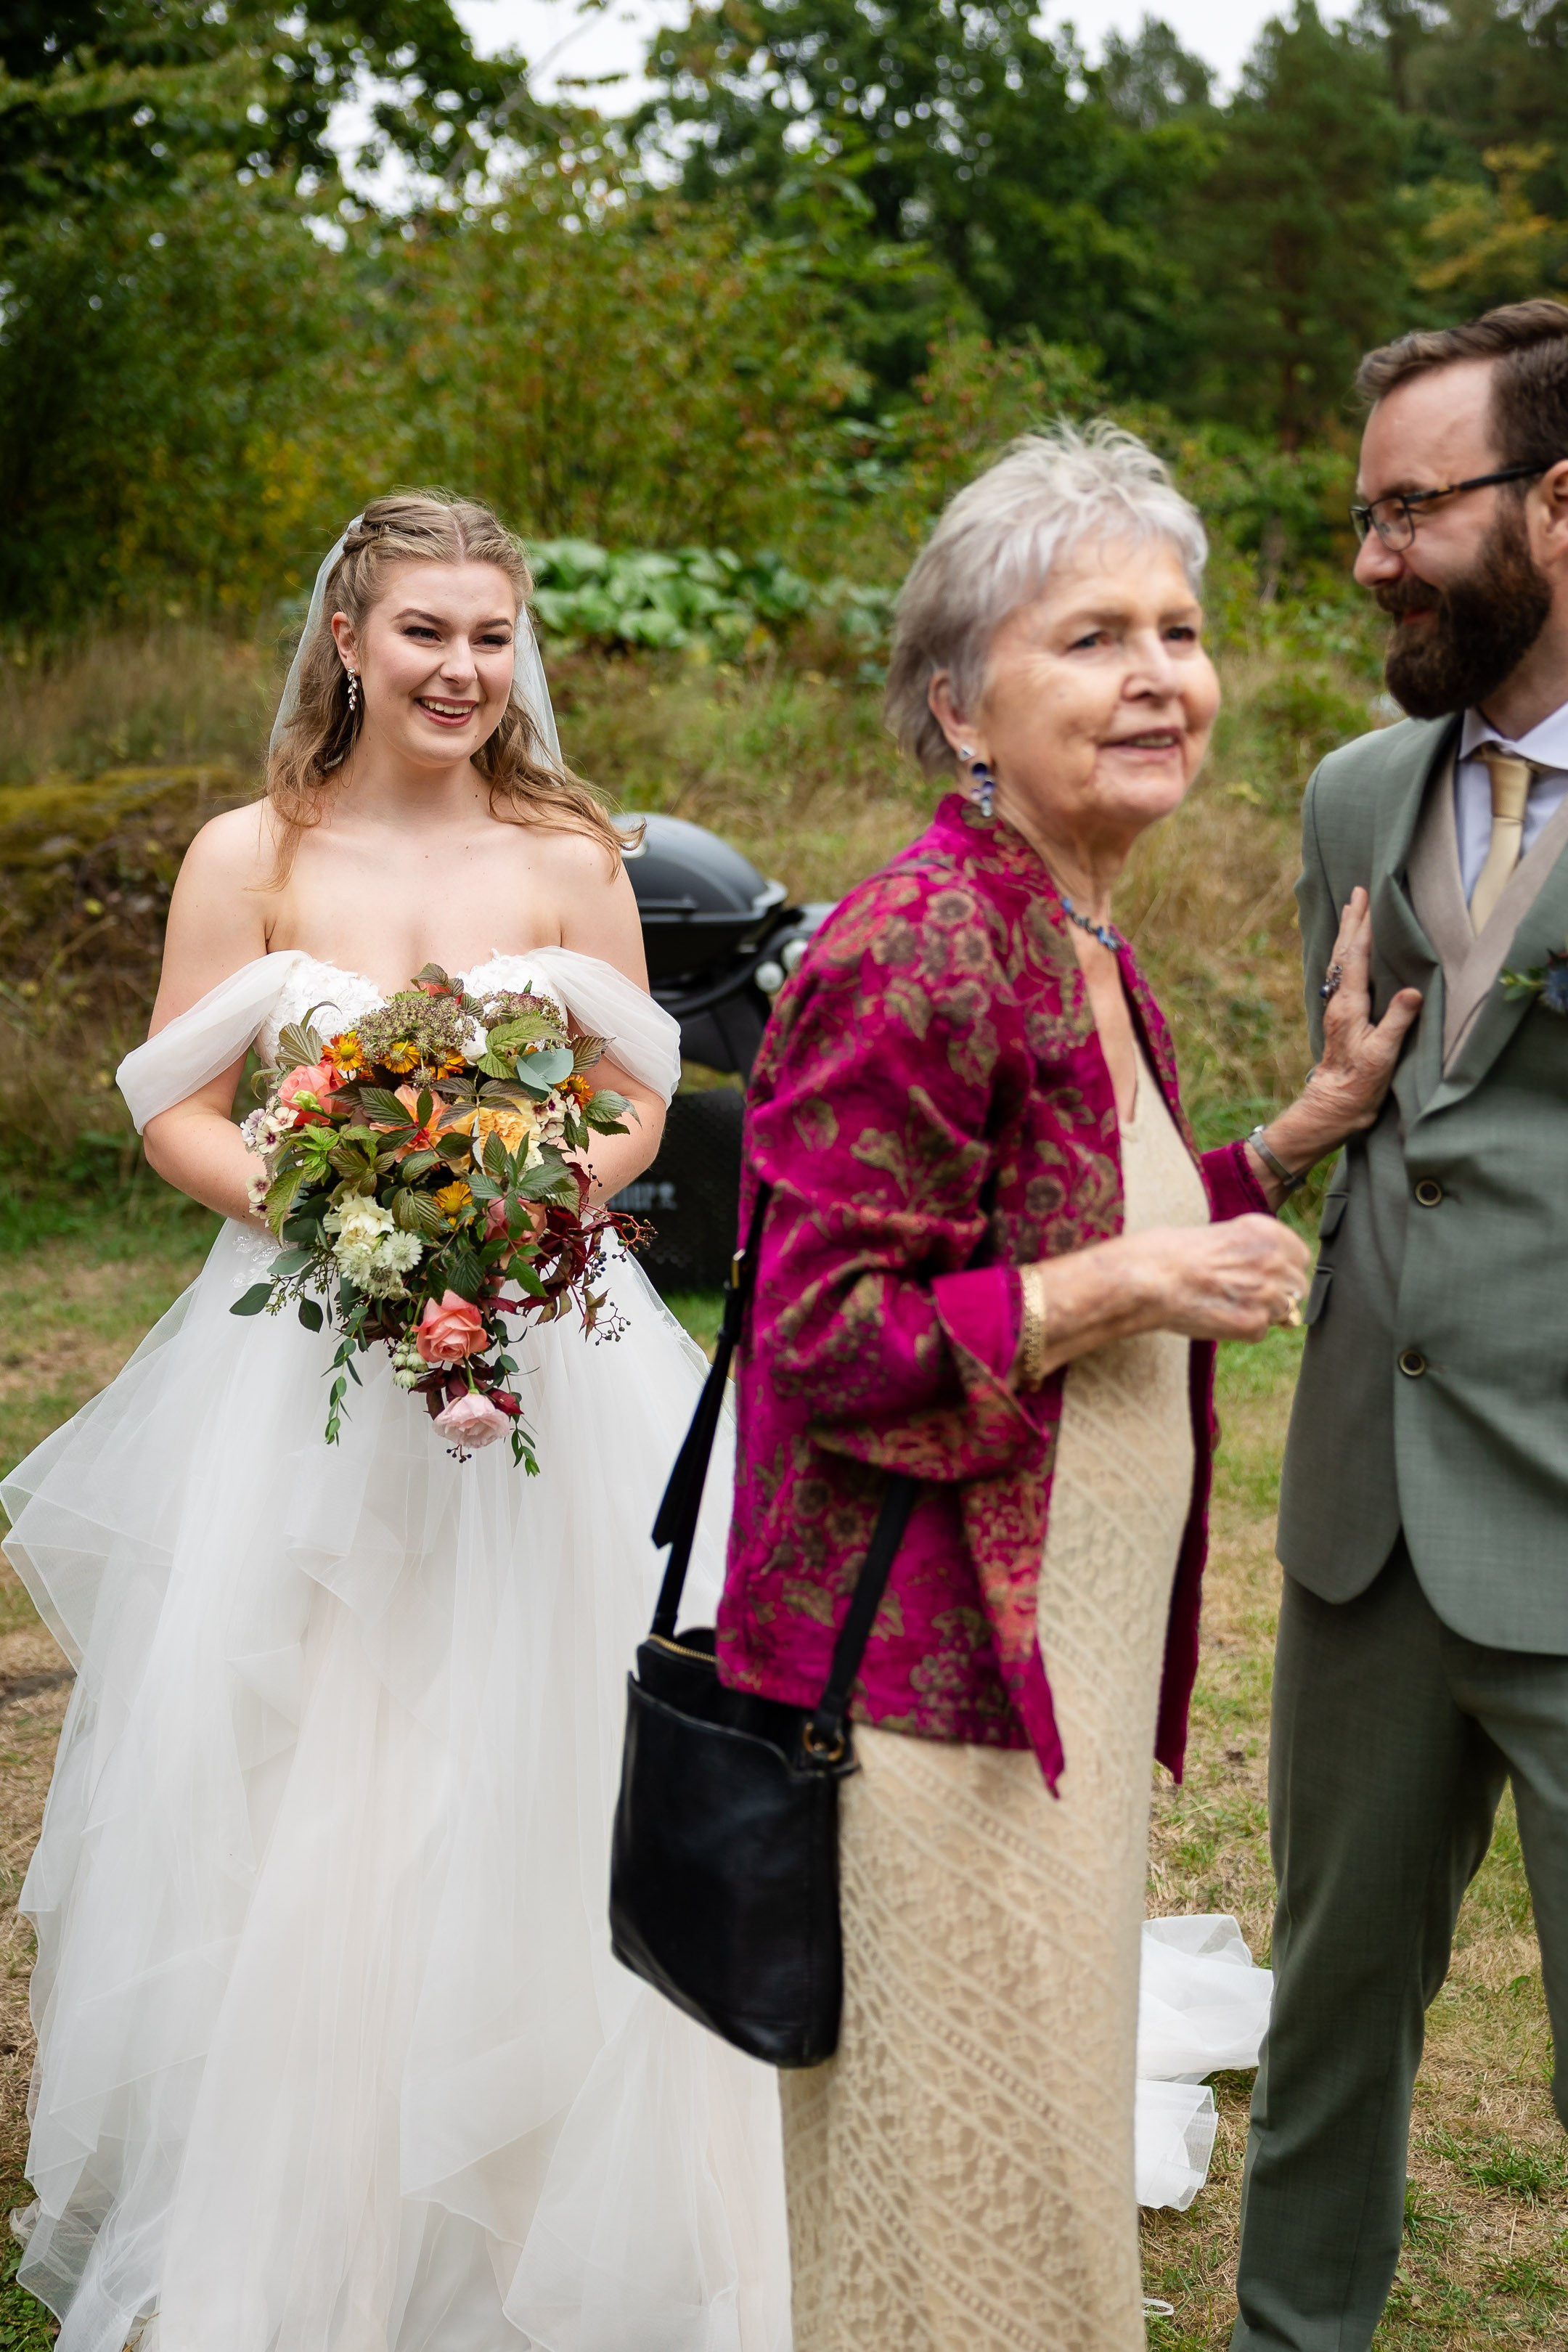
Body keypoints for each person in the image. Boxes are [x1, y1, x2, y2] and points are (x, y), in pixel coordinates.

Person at [0, 494, 790, 2352]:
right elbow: (176, 1104)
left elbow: (634, 1099)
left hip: (550, 1340)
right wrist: (334, 1213)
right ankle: (314, 2184)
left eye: (493, 635)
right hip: (311, 1354)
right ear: (348, 640)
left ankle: (580, 2164)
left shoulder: (575, 852)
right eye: (427, 631)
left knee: (565, 1713)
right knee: (319, 1729)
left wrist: (528, 1210)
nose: (463, 669)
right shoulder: (250, 853)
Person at [714, 423, 1414, 2352]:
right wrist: (1125, 1284)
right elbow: (822, 1334)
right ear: (960, 705)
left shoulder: (1072, 925)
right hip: (926, 1694)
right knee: (966, 2203)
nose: (1157, 676)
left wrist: (1293, 1135)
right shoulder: (926, 941)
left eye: (1177, 632)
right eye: (1090, 637)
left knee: (1026, 2162)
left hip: (1054, 1672)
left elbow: (1097, 1218)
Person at [1231, 301, 1568, 2350]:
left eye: (1414, 511)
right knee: (1329, 2014)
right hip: (1365, 1521)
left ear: (1559, 503)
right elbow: (1376, 1124)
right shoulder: (1356, 794)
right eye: (1364, 516)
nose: (1374, 558)